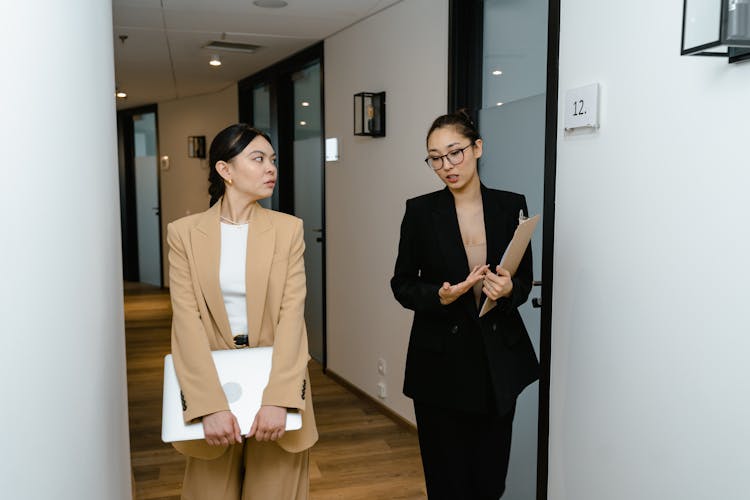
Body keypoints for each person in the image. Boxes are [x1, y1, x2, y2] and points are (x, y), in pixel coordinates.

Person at [390, 110, 539, 499]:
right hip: (439, 364)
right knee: (447, 481)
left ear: (477, 148)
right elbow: (402, 284)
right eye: (435, 157)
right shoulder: (420, 212)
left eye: (455, 153)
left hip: (497, 363)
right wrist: (440, 295)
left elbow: (523, 279)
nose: (446, 166)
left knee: (490, 481)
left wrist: (508, 290)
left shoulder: (511, 206)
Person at [166, 124, 318, 500]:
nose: (271, 169)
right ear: (225, 170)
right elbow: (186, 324)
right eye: (258, 159)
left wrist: (278, 399)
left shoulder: (288, 230)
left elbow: (291, 319)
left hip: (276, 391)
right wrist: (209, 406)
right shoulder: (183, 234)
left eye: (273, 160)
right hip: (213, 390)